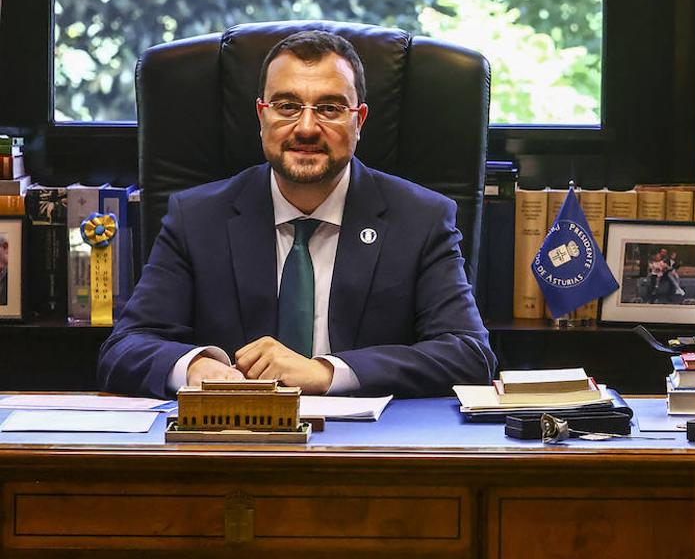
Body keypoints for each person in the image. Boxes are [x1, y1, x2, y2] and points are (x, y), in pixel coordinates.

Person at [97, 30, 495, 398]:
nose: (306, 127)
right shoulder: (198, 218)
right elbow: (126, 348)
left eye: (330, 108)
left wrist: (327, 372)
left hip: (368, 454)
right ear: (261, 116)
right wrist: (195, 367)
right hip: (235, 446)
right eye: (287, 106)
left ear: (359, 121)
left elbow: (468, 354)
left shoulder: (421, 219)